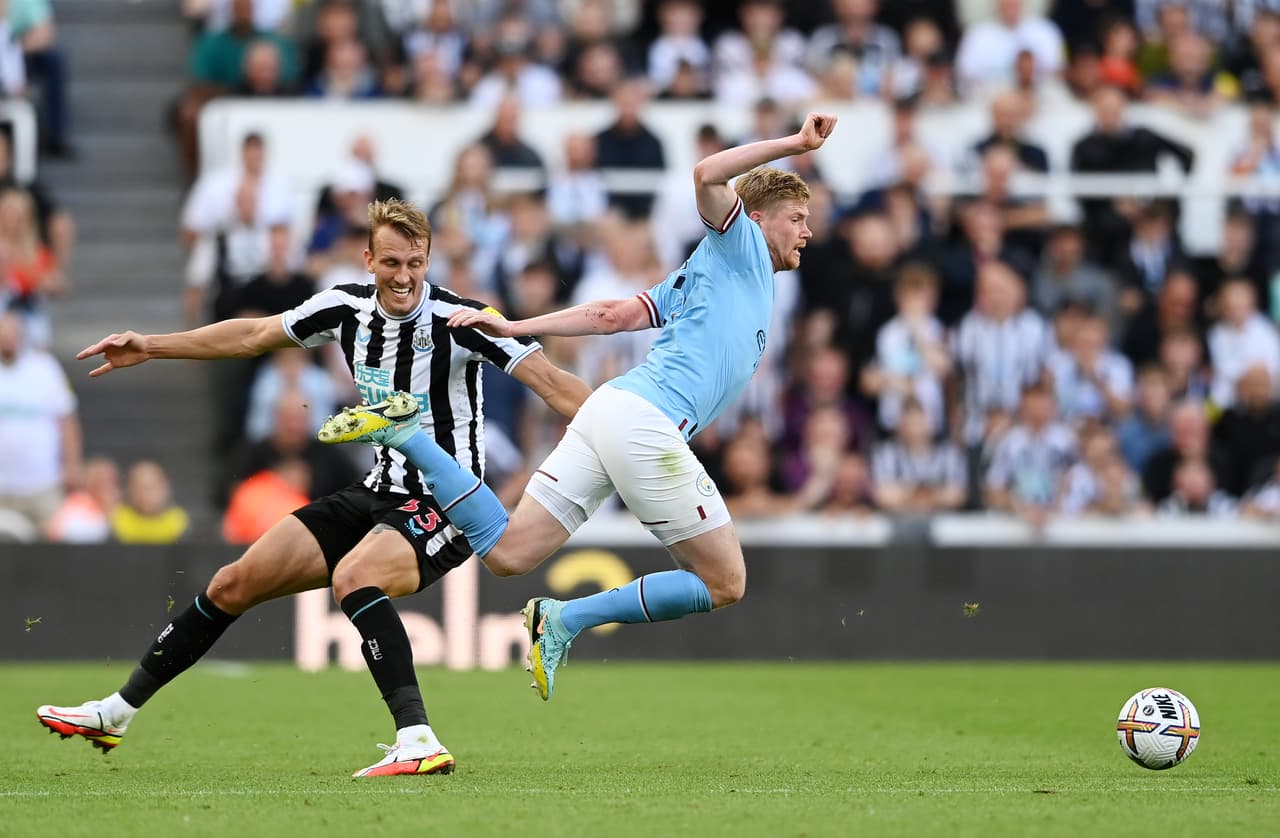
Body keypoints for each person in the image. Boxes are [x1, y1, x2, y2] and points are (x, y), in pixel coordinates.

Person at [35, 199, 592, 778]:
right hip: (377, 490)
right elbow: (252, 335)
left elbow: (553, 385)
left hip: (445, 503)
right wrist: (151, 346)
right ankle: (115, 712)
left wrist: (630, 430)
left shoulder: (461, 320)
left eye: (417, 263)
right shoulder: (346, 309)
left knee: (356, 576)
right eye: (393, 262)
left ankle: (418, 738)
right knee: (232, 582)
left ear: (428, 260)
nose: (404, 277)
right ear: (369, 257)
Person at [321, 113, 838, 701]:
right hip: (645, 423)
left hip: (608, 410)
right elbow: (706, 173)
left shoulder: (706, 273)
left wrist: (514, 324)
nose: (807, 232)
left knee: (509, 554)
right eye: (798, 219)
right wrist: (797, 144)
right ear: (761, 217)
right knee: (725, 581)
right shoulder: (738, 239)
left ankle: (409, 435)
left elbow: (612, 316)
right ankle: (566, 619)